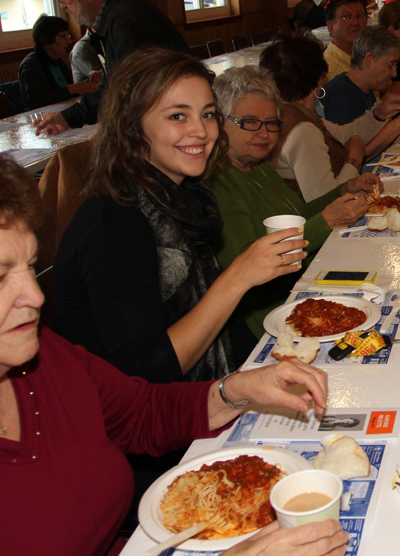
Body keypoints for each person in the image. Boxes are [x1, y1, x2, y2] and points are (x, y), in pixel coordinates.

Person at [0, 149, 347, 556]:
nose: (33, 295)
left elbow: (140, 413)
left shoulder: (41, 355)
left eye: (29, 267)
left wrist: (236, 389)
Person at [51, 49, 295, 382]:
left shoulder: (186, 199)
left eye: (208, 114)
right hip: (147, 420)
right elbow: (145, 373)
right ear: (132, 125)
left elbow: (226, 329)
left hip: (212, 389)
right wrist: (237, 278)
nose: (201, 131)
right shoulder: (113, 225)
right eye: (178, 116)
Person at [207, 66, 374, 337]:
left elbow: (297, 215)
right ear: (218, 121)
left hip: (305, 283)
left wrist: (343, 189)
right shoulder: (217, 181)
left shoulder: (256, 165)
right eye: (249, 122)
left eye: (272, 123)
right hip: (272, 315)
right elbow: (247, 260)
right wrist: (326, 222)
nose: (264, 134)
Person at [33, 0, 188, 136]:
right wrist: (69, 117)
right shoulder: (117, 14)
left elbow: (125, 89)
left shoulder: (128, 20)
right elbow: (116, 83)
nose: (62, 6)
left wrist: (72, 116)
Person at [261, 32, 400, 200]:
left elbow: (341, 135)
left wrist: (379, 114)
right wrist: (354, 161)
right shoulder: (302, 131)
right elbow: (326, 200)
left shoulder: (286, 112)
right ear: (318, 79)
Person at [320, 26, 400, 128]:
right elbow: (355, 145)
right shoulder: (342, 94)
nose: (394, 74)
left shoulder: (365, 88)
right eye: (391, 65)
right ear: (369, 59)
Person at [19, 15, 98, 110]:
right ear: (47, 39)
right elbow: (33, 101)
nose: (69, 42)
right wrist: (72, 89)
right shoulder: (30, 65)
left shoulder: (59, 62)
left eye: (68, 36)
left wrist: (87, 87)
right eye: (63, 36)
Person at [322, 0, 368, 85]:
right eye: (346, 17)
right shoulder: (331, 70)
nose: (355, 22)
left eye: (359, 16)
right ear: (331, 27)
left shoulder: (367, 51)